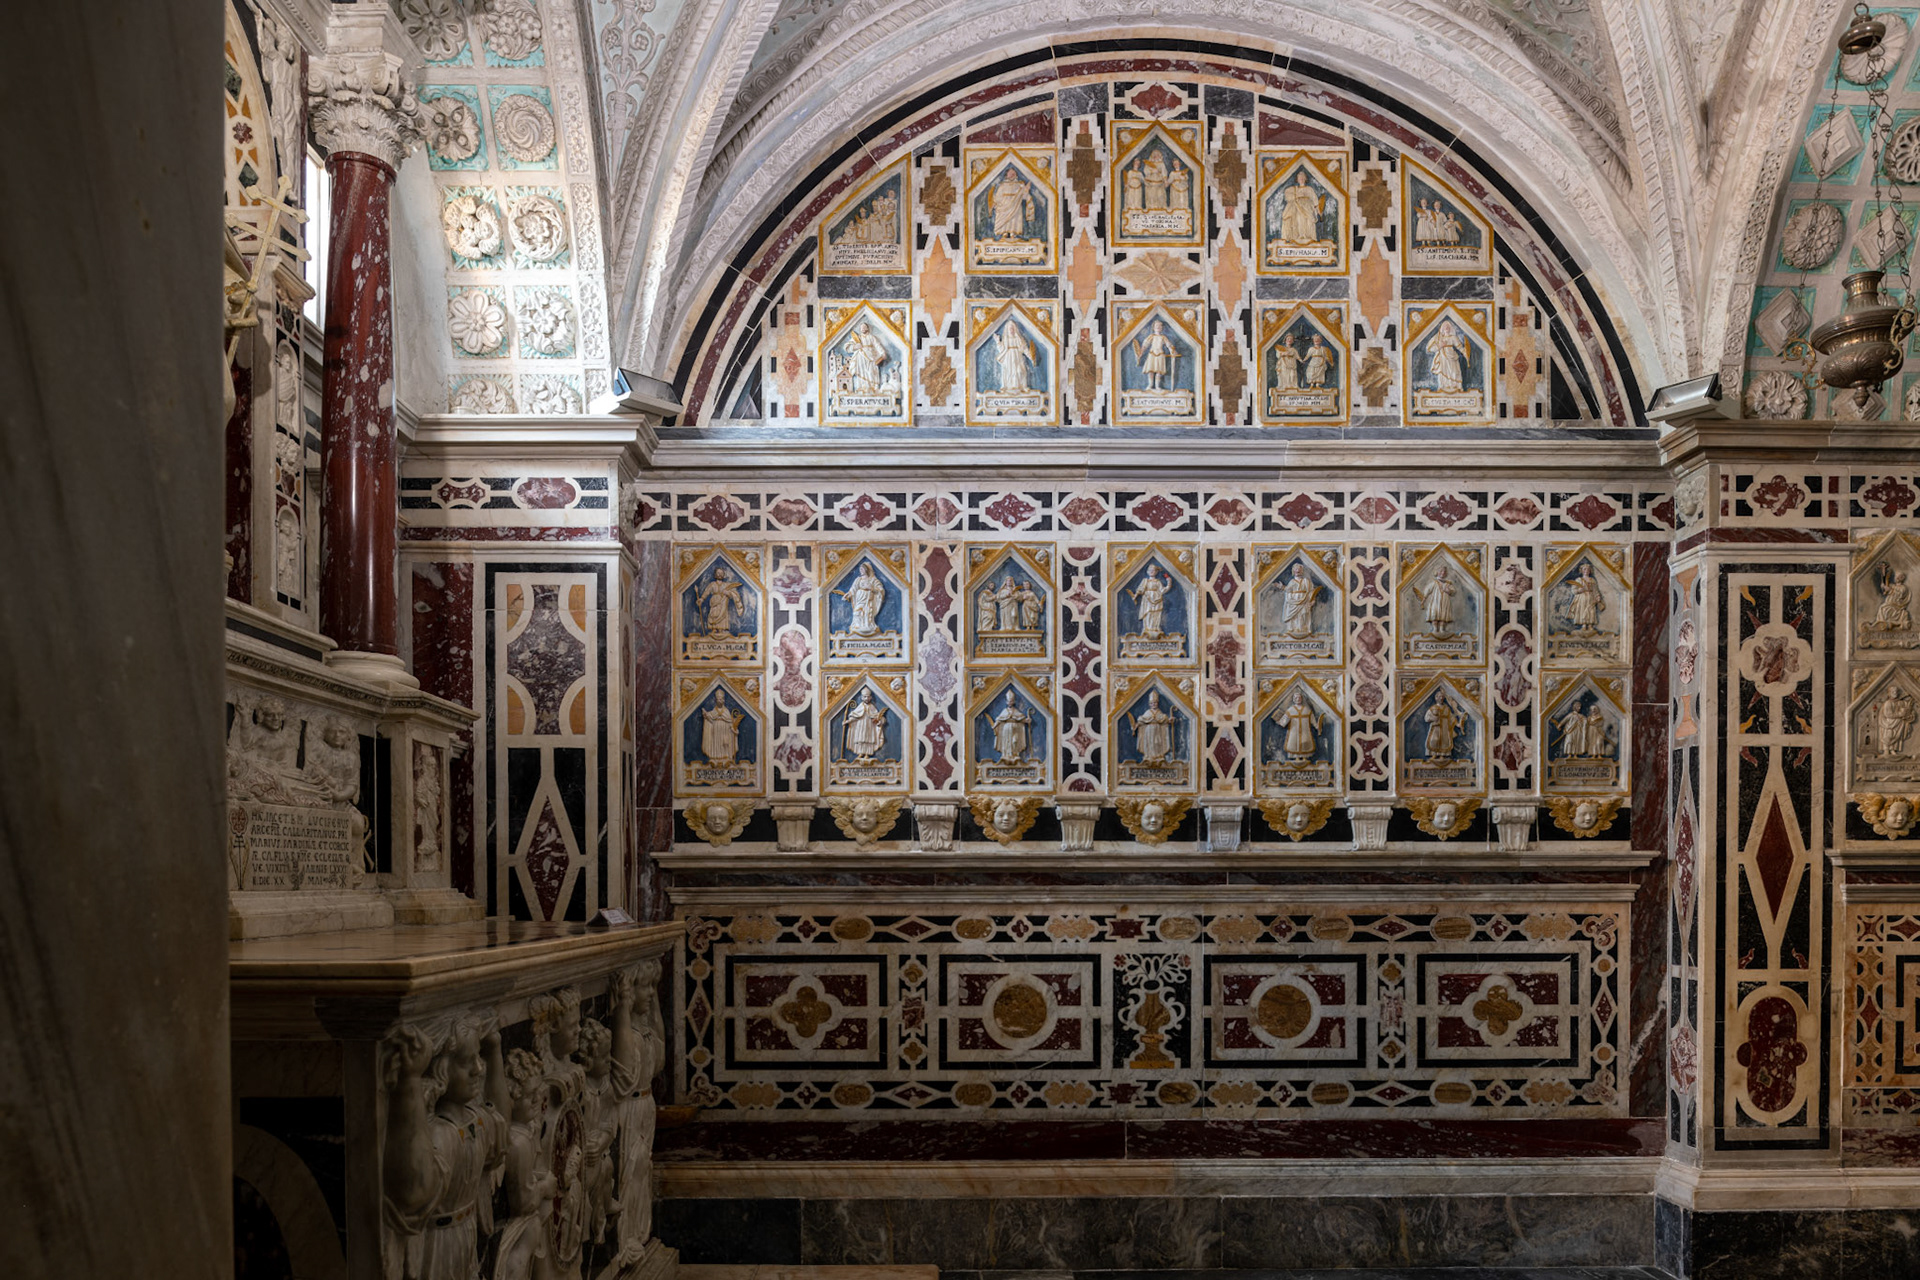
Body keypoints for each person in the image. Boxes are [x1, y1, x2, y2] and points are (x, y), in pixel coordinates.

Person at [834, 560, 886, 636]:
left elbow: (880, 590)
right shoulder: (858, 579)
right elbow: (853, 588)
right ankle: (857, 625)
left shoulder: (873, 580)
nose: (860, 571)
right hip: (859, 599)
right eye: (860, 569)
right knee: (857, 611)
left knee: (867, 612)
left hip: (868, 599)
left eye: (862, 569)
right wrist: (848, 594)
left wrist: (871, 588)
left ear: (866, 570)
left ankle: (867, 625)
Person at [696, 565, 747, 636]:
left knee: (723, 615)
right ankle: (714, 629)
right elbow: (706, 592)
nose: (720, 575)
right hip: (714, 602)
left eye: (721, 573)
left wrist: (728, 593)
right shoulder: (712, 584)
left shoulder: (726, 585)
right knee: (713, 614)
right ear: (715, 574)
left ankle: (721, 630)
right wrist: (701, 599)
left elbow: (734, 593)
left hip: (723, 602)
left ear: (723, 575)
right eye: (718, 573)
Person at [843, 687, 888, 762]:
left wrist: (880, 721)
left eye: (868, 696)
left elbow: (878, 716)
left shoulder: (872, 707)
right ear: (861, 697)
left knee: (868, 739)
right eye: (864, 696)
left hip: (869, 726)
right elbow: (855, 715)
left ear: (870, 697)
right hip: (860, 726)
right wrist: (848, 721)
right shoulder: (860, 706)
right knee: (861, 739)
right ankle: (861, 753)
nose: (866, 698)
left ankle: (867, 753)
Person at [989, 166, 1033, 241]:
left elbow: (1024, 195)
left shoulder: (1019, 185)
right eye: (1010, 173)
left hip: (1016, 205)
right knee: (1003, 218)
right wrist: (996, 203)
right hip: (1003, 206)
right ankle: (1004, 233)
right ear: (1006, 175)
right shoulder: (1002, 185)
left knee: (1014, 219)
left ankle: (1013, 233)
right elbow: (998, 196)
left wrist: (1026, 190)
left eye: (1014, 173)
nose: (1012, 175)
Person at [1130, 691, 1175, 764]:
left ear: (1157, 703)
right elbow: (1141, 719)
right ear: (1149, 704)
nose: (1153, 704)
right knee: (1150, 742)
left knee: (1157, 742)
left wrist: (1169, 720)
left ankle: (1158, 756)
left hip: (1158, 730)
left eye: (1155, 703)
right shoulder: (1148, 712)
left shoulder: (1159, 712)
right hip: (1149, 730)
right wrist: (1136, 725)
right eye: (1152, 703)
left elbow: (1163, 719)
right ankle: (1149, 756)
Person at [1279, 169, 1323, 244]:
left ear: (1305, 179)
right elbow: (1288, 197)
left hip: (1308, 208)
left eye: (1303, 178)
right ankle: (1300, 236)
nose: (1301, 179)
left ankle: (1309, 237)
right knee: (1299, 221)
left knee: (1308, 222)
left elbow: (1315, 200)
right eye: (1300, 178)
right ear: (1297, 180)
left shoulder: (1309, 189)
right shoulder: (1294, 190)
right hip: (1298, 208)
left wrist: (1318, 211)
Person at [1562, 562, 1606, 634]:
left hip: (1591, 597)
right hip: (1582, 597)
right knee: (1583, 610)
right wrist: (1580, 590)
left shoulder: (1592, 580)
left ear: (1590, 571)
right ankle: (1584, 625)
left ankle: (1590, 625)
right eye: (1584, 569)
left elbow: (1595, 589)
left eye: (1588, 569)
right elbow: (1574, 590)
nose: (1586, 571)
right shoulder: (1579, 580)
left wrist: (1598, 596)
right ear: (1582, 570)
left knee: (1591, 610)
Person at [1133, 320, 1178, 391]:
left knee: (1159, 371)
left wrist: (1172, 351)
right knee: (1151, 371)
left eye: (1160, 326)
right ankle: (1150, 385)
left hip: (1160, 355)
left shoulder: (1163, 337)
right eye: (1156, 326)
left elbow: (1168, 345)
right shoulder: (1151, 336)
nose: (1158, 327)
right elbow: (1145, 344)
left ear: (1162, 328)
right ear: (1153, 327)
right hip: (1152, 354)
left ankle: (1157, 386)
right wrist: (1141, 352)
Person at [1279, 687, 1322, 761]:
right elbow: (1284, 722)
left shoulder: (1307, 710)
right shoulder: (1290, 710)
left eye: (1299, 698)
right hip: (1294, 732)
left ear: (1301, 699)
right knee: (1294, 745)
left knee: (1305, 745)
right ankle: (1296, 758)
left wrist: (1316, 726)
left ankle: (1305, 758)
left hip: (1305, 732)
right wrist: (1280, 721)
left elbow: (1312, 720)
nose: (1298, 699)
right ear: (1293, 699)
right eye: (1296, 698)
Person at [1427, 319, 1469, 394]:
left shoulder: (1453, 338)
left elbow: (1460, 348)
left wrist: (1465, 352)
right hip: (1442, 358)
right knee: (1443, 372)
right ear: (1442, 328)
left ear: (1450, 328)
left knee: (1454, 371)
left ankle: (1455, 387)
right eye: (1445, 327)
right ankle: (1443, 386)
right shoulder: (1439, 338)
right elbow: (1430, 348)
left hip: (1452, 357)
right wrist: (1440, 346)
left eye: (1448, 326)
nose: (1446, 328)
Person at [1130, 564, 1170, 637]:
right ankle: (1147, 628)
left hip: (1157, 598)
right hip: (1147, 598)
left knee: (1156, 613)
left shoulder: (1158, 581)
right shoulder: (1145, 581)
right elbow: (1140, 589)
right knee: (1148, 612)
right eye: (1150, 570)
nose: (1151, 571)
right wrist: (1135, 596)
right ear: (1147, 571)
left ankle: (1155, 627)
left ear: (1156, 572)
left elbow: (1162, 590)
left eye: (1153, 570)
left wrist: (1169, 583)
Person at [994, 320, 1034, 393]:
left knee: (1021, 371)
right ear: (1007, 330)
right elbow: (1001, 349)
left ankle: (1023, 386)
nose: (1011, 330)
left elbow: (1024, 349)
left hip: (1018, 357)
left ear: (1015, 329)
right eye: (1010, 328)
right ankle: (1006, 387)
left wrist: (1030, 356)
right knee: (1008, 372)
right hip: (1008, 357)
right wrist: (998, 342)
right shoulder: (1005, 339)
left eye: (1013, 328)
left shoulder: (1019, 339)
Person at [1419, 564, 1458, 636]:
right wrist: (1423, 599)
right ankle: (1434, 629)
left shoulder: (1448, 583)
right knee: (1435, 613)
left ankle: (1442, 629)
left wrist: (1448, 590)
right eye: (1441, 571)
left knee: (1443, 614)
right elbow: (1427, 590)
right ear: (1437, 572)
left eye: (1444, 571)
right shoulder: (1434, 582)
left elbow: (1453, 592)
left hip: (1445, 602)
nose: (1443, 572)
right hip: (1435, 601)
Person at [701, 692, 740, 765]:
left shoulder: (726, 711)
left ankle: (726, 757)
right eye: (718, 699)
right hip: (715, 731)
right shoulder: (713, 711)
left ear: (723, 700)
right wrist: (706, 715)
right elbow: (710, 717)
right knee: (716, 743)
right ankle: (715, 758)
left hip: (725, 732)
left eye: (721, 699)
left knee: (724, 744)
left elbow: (730, 721)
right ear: (716, 700)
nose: (719, 701)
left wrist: (734, 729)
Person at [1280, 563, 1318, 638]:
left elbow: (1311, 591)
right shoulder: (1292, 582)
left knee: (1303, 615)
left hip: (1304, 601)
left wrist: (1312, 600)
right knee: (1294, 617)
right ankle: (1293, 629)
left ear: (1302, 571)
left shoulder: (1306, 581)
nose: (1298, 570)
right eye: (1296, 569)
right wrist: (1282, 587)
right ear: (1293, 571)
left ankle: (1302, 629)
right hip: (1293, 602)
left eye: (1299, 569)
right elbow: (1288, 590)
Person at [992, 692, 1031, 762]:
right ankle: (1006, 755)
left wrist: (1027, 721)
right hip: (1006, 729)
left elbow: (1021, 718)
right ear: (1007, 702)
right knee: (1007, 742)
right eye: (1009, 701)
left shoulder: (1016, 711)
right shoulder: (1004, 711)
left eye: (1011, 701)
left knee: (1015, 741)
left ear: (1014, 702)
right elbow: (999, 719)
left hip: (1015, 728)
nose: (1010, 702)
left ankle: (1015, 754)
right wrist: (994, 726)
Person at [1424, 694, 1460, 760]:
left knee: (1445, 741)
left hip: (1445, 728)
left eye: (1442, 697)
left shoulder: (1447, 708)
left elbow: (1452, 717)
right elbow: (1426, 717)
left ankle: (1442, 755)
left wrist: (1457, 724)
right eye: (1439, 696)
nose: (1441, 698)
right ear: (1436, 698)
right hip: (1435, 728)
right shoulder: (1433, 708)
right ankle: (1434, 754)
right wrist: (1433, 718)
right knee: (1434, 740)